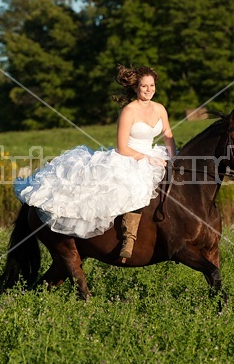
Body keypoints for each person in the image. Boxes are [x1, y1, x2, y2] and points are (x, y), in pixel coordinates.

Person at [14, 65, 176, 260]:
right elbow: (122, 147)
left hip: (153, 153)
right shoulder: (129, 111)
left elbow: (167, 135)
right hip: (130, 157)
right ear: (135, 88)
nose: (149, 89)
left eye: (152, 85)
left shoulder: (159, 108)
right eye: (144, 86)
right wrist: (147, 158)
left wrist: (172, 157)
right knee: (135, 187)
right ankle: (128, 238)